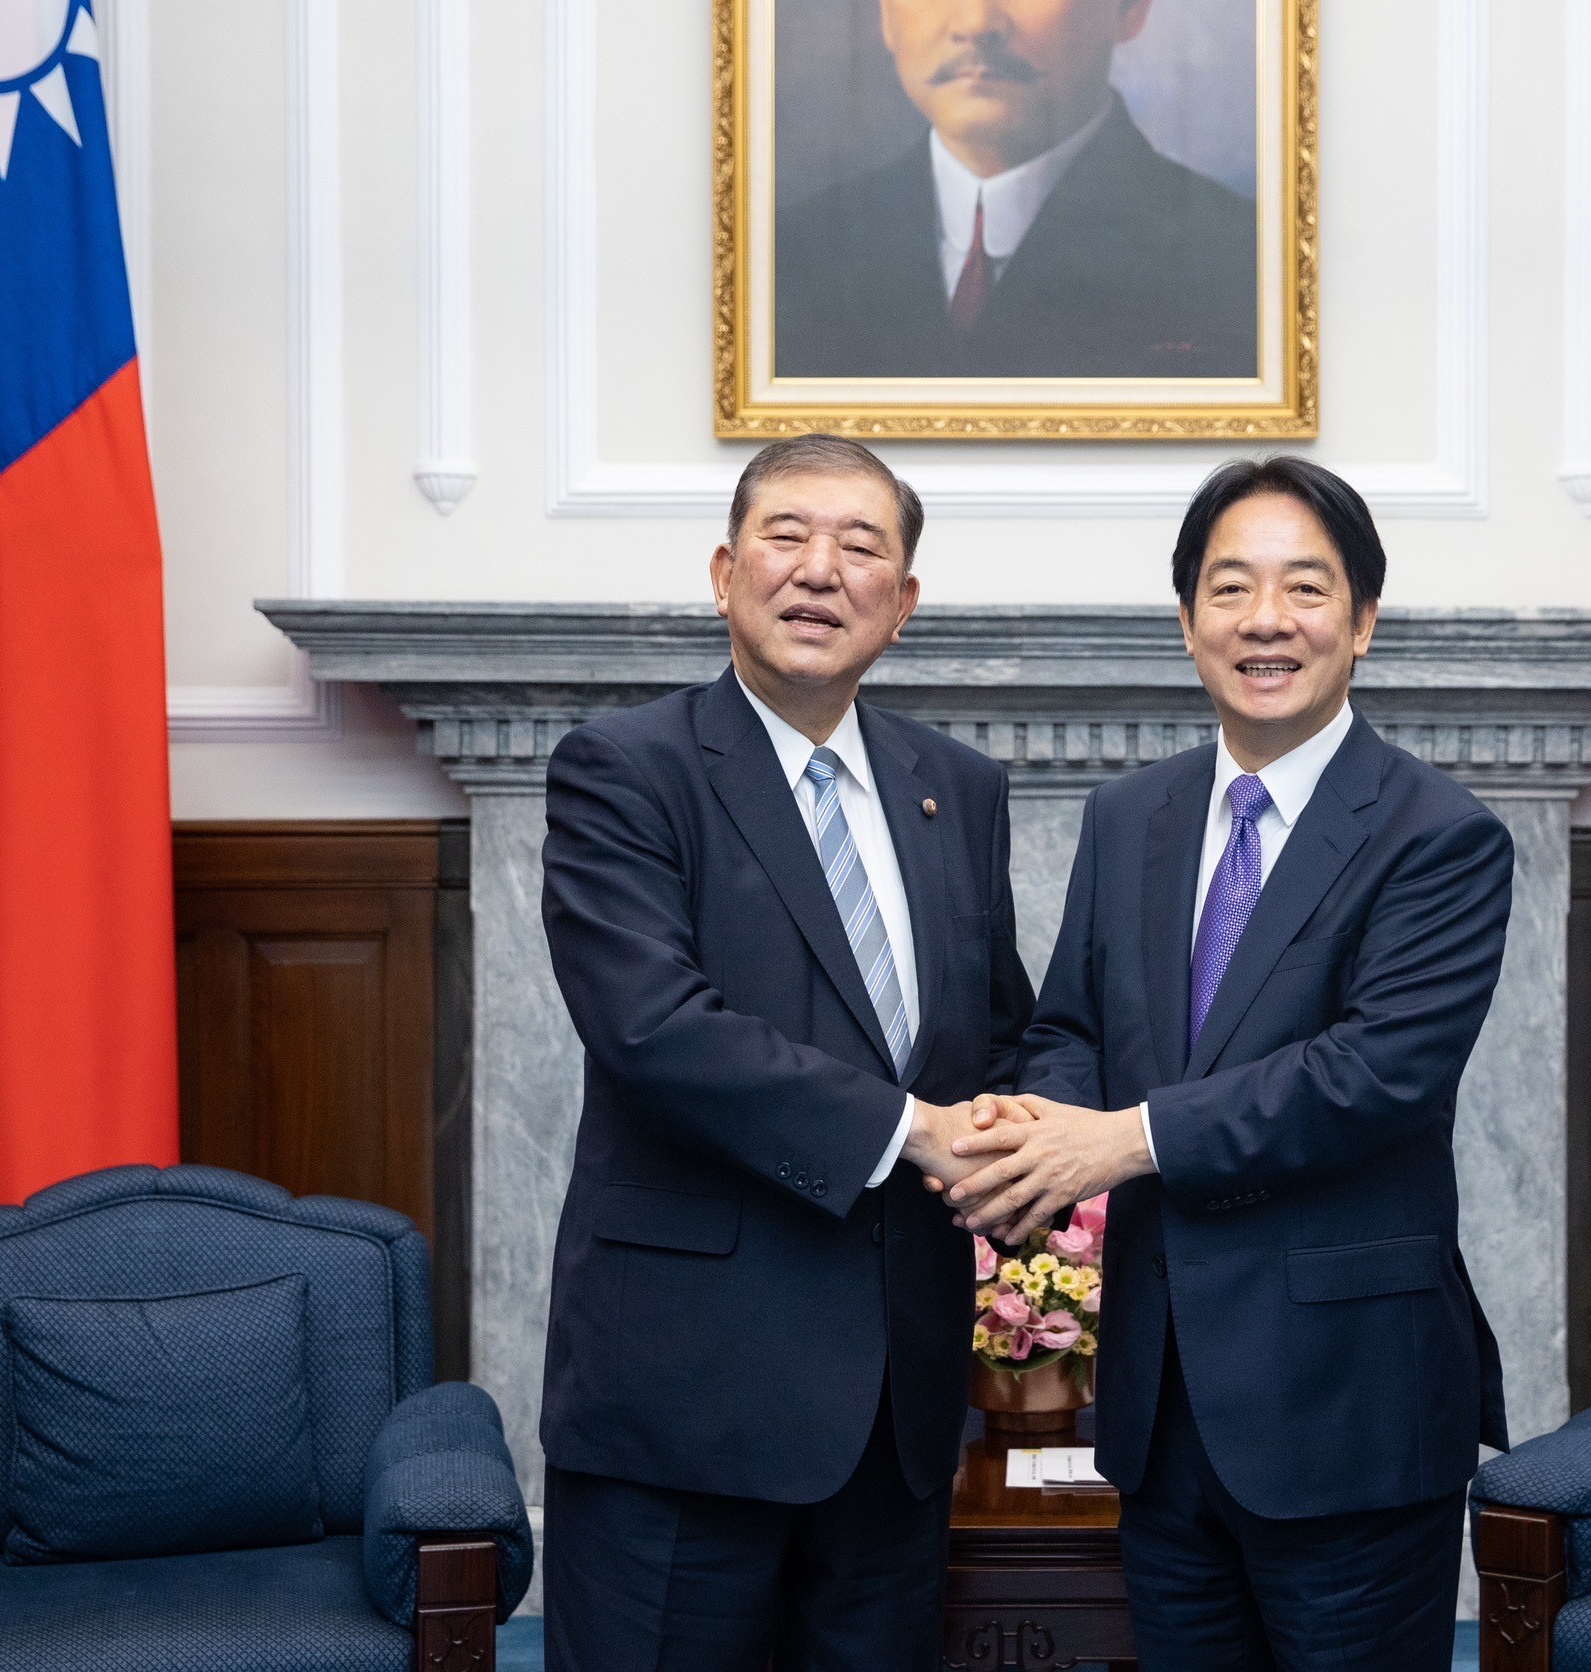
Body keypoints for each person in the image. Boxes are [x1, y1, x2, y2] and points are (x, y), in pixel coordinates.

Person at [938, 457, 1515, 1670]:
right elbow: (1074, 1027)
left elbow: (1372, 1075)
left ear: (1361, 621)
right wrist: (1027, 1133)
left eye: (1306, 589)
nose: (1266, 620)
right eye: (1230, 587)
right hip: (1161, 1401)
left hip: (1347, 1406)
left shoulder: (1441, 835)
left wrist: (1118, 1140)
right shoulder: (1128, 816)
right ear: (1189, 619)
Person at [538, 434, 1036, 1671]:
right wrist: (915, 1130)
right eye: (786, 536)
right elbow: (656, 1027)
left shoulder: (957, 787)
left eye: (862, 547)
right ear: (723, 572)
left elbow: (1000, 1028)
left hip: (893, 1414)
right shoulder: (627, 771)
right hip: (684, 1403)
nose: (820, 570)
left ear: (903, 604)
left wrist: (1058, 1139)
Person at [775, 0, 1257, 379]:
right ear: (885, 15)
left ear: (1130, 9)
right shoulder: (789, 253)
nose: (977, 22)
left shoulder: (1240, 260)